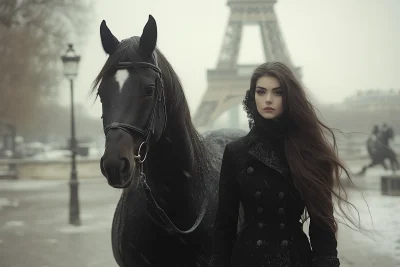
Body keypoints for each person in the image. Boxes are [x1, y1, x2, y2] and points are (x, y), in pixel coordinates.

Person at [210, 62, 359, 267]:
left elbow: (321, 224)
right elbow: (225, 223)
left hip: (294, 258)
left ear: (289, 98)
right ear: (252, 96)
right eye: (261, 92)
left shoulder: (309, 152)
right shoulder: (236, 152)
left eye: (277, 92)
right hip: (248, 258)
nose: (268, 99)